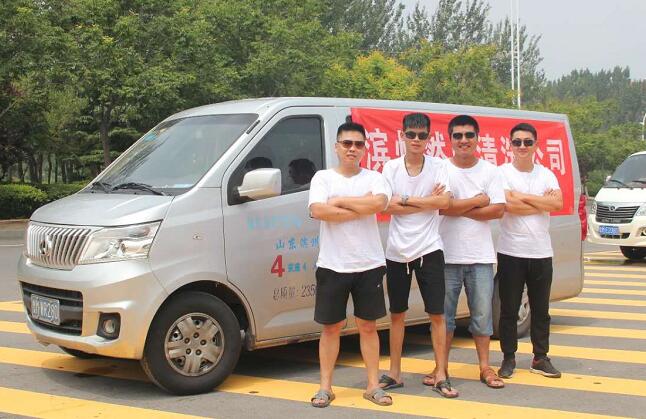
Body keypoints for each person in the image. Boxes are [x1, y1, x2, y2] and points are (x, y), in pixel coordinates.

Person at [308, 121, 393, 408]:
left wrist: (341, 201)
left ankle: (373, 386)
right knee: (331, 328)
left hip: (369, 264)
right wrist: (360, 206)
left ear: (365, 148)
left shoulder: (375, 178)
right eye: (347, 143)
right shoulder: (322, 178)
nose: (352, 149)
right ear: (337, 147)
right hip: (332, 264)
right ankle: (325, 387)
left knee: (368, 326)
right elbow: (318, 210)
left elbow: (378, 204)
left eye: (358, 144)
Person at [379, 113, 458, 398]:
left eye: (422, 135)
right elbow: (385, 205)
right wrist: (427, 201)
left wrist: (406, 199)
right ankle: (395, 373)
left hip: (430, 249)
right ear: (402, 135)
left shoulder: (439, 166)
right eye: (411, 134)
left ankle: (441, 374)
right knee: (397, 314)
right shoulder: (390, 168)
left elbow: (444, 201)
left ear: (429, 138)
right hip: (397, 251)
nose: (416, 140)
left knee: (437, 314)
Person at [437, 114, 506, 390]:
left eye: (469, 135)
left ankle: (485, 367)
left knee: (482, 316)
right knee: (444, 318)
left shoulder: (490, 171)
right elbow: (440, 207)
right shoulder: (440, 169)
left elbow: (498, 209)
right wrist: (478, 201)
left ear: (477, 138)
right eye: (458, 135)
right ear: (450, 139)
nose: (463, 140)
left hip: (480, 257)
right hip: (446, 256)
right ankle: (441, 368)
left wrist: (458, 207)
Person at [496, 122, 564, 379]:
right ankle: (508, 358)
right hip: (511, 250)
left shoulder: (546, 174)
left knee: (541, 309)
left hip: (541, 251)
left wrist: (522, 196)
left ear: (536, 145)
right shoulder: (501, 173)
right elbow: (508, 205)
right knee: (509, 309)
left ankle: (540, 357)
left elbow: (557, 203)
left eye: (527, 142)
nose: (522, 146)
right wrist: (541, 201)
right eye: (517, 142)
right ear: (510, 145)